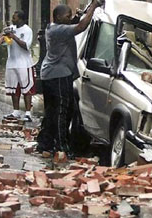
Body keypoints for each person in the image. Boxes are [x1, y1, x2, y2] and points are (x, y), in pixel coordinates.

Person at [37, 0, 103, 155]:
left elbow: (74, 23)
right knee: (62, 111)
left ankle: (45, 143)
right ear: (58, 17)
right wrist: (93, 6)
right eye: (67, 16)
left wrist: (78, 16)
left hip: (51, 74)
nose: (70, 18)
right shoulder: (59, 31)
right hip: (58, 75)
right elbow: (81, 27)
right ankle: (62, 147)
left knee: (52, 111)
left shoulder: (55, 28)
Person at [3, 10, 35, 122]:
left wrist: (14, 37)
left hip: (24, 63)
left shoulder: (27, 30)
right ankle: (15, 111)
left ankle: (28, 113)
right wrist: (4, 36)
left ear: (21, 19)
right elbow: (6, 43)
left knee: (27, 87)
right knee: (13, 88)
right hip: (11, 62)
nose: (12, 19)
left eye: (14, 18)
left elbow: (26, 46)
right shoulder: (11, 28)